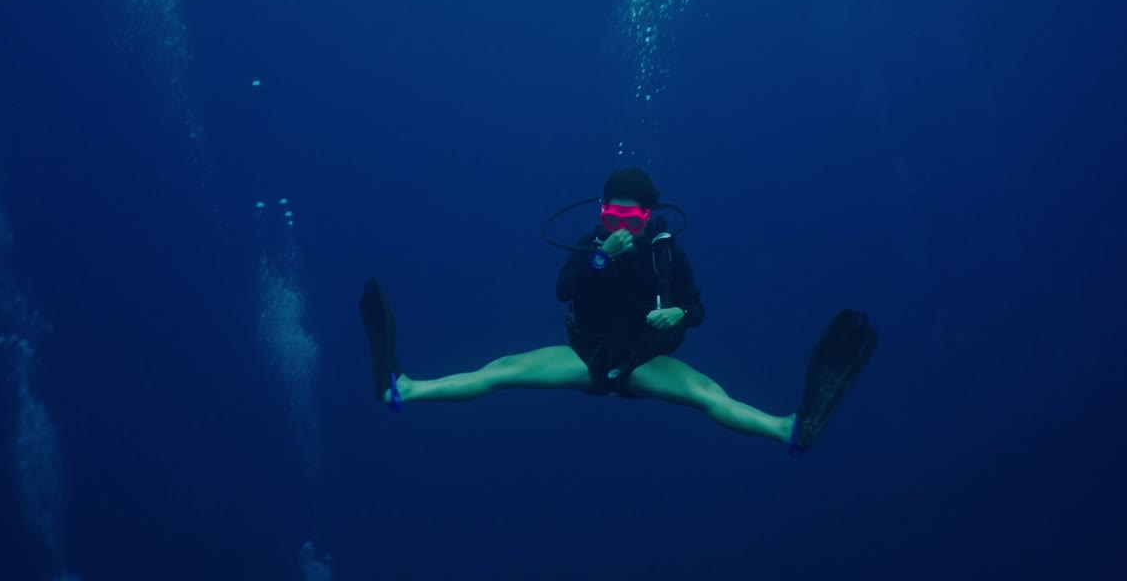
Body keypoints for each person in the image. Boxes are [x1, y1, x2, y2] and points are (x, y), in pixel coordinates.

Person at [363, 167, 876, 453]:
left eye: (629, 216)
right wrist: (603, 258)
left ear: (649, 216)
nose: (619, 224)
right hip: (586, 355)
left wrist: (678, 316)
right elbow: (564, 291)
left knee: (709, 395)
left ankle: (791, 428)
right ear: (600, 212)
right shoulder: (593, 244)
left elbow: (697, 306)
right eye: (610, 214)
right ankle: (402, 388)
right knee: (501, 370)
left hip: (645, 362)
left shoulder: (667, 251)